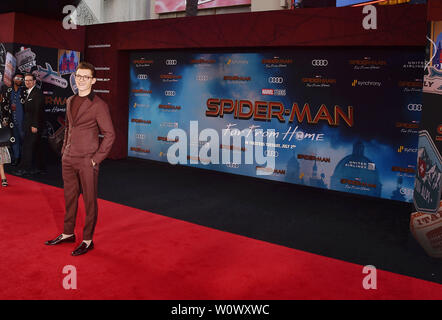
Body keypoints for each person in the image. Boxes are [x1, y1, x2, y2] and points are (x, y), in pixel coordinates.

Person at [45, 62, 115, 256]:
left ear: (93, 80)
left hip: (87, 160)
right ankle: (68, 233)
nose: (81, 79)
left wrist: (96, 159)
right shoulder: (70, 100)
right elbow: (69, 128)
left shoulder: (99, 105)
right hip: (68, 158)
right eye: (78, 75)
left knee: (90, 201)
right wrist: (64, 150)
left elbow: (109, 135)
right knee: (69, 199)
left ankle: (87, 239)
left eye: (85, 77)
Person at [14, 73, 44, 176]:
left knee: (28, 147)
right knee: (32, 147)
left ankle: (24, 169)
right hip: (27, 124)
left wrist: (34, 125)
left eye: (29, 80)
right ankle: (35, 168)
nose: (27, 82)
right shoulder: (27, 92)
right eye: (26, 80)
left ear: (34, 81)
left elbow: (38, 110)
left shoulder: (37, 93)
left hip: (33, 125)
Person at [8, 73, 26, 166]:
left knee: (24, 141)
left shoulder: (24, 91)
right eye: (17, 78)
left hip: (22, 121)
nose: (19, 80)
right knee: (14, 141)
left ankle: (24, 159)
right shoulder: (8, 91)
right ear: (13, 79)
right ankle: (16, 158)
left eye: (21, 79)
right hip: (12, 121)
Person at [0, 91, 12, 186]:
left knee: (0, 155)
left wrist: (5, 122)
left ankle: (3, 177)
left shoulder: (3, 104)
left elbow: (6, 118)